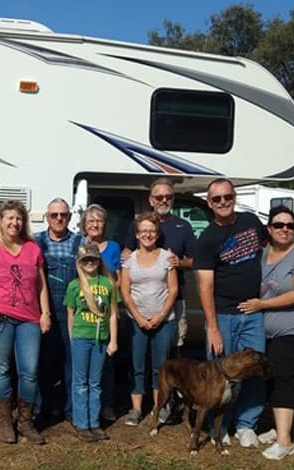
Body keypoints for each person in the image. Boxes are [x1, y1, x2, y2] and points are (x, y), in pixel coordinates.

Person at [238, 206, 294, 460]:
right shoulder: (260, 255)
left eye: (290, 226)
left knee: (283, 376)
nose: (284, 229)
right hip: (266, 331)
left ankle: (285, 442)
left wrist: (262, 305)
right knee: (270, 377)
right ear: (269, 229)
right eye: (278, 225)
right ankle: (277, 427)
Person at [0, 200, 51, 445]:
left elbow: (40, 285)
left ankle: (25, 421)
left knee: (30, 371)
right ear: (1, 221)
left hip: (29, 318)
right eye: (10, 218)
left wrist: (45, 313)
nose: (14, 223)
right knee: (2, 369)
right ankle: (5, 420)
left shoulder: (32, 249)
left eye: (19, 218)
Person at [195, 178, 267, 448]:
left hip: (253, 312)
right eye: (217, 199)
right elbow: (205, 285)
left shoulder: (250, 222)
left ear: (234, 197)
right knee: (217, 375)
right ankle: (219, 427)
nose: (223, 202)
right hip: (223, 315)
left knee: (255, 370)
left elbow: (269, 253)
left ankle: (247, 425)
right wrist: (212, 326)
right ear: (209, 203)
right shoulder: (207, 239)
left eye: (228, 197)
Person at [123, 178, 195, 350]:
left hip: (174, 298)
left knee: (173, 345)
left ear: (173, 199)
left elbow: (194, 261)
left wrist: (180, 262)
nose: (164, 200)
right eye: (159, 197)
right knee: (140, 354)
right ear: (151, 200)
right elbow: (127, 252)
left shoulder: (183, 226)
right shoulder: (138, 224)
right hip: (140, 301)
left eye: (168, 196)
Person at [120, 212, 178, 426]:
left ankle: (158, 408)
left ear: (157, 233)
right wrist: (138, 317)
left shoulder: (167, 257)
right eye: (143, 231)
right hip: (137, 321)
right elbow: (125, 292)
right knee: (137, 365)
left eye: (152, 231)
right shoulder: (129, 260)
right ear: (136, 234)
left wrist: (160, 316)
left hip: (164, 321)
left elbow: (173, 290)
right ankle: (136, 409)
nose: (148, 234)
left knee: (160, 367)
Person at [34, 198, 83, 422]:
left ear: (70, 217)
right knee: (43, 360)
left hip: (71, 310)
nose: (59, 219)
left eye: (63, 215)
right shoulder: (36, 242)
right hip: (44, 309)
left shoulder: (80, 243)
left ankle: (71, 409)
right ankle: (43, 408)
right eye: (54, 215)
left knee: (71, 361)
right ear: (47, 217)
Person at [66, 241, 119, 442]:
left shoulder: (107, 284)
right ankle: (81, 424)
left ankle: (94, 422)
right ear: (79, 262)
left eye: (93, 259)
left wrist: (113, 341)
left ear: (99, 261)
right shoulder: (74, 286)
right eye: (85, 259)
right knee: (80, 383)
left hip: (101, 339)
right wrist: (72, 338)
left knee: (95, 383)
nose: (89, 263)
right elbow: (70, 314)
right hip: (81, 338)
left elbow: (113, 314)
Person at [80, 203, 121, 421]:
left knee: (107, 361)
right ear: (84, 225)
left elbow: (119, 279)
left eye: (99, 220)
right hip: (85, 312)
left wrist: (116, 306)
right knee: (82, 363)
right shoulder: (79, 246)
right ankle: (81, 407)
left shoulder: (114, 247)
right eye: (91, 221)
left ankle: (106, 405)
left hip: (107, 312)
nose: (95, 224)